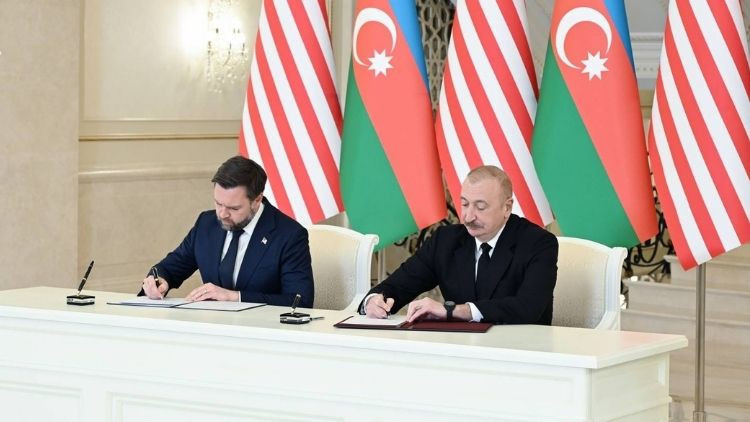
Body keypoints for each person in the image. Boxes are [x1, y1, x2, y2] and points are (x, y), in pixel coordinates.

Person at [362, 165, 557, 324]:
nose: (468, 217)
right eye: (464, 204)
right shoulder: (445, 241)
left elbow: (528, 308)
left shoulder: (538, 243)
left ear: (507, 207)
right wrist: (374, 301)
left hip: (519, 352)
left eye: (480, 207)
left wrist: (453, 311)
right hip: (460, 351)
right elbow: (398, 286)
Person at [141, 156, 314, 307]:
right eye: (218, 203)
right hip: (212, 328)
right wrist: (160, 281)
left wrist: (235, 297)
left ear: (257, 200)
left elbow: (300, 301)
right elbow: (170, 268)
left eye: (233, 208)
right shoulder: (206, 223)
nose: (222, 214)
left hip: (262, 330)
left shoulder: (289, 235)